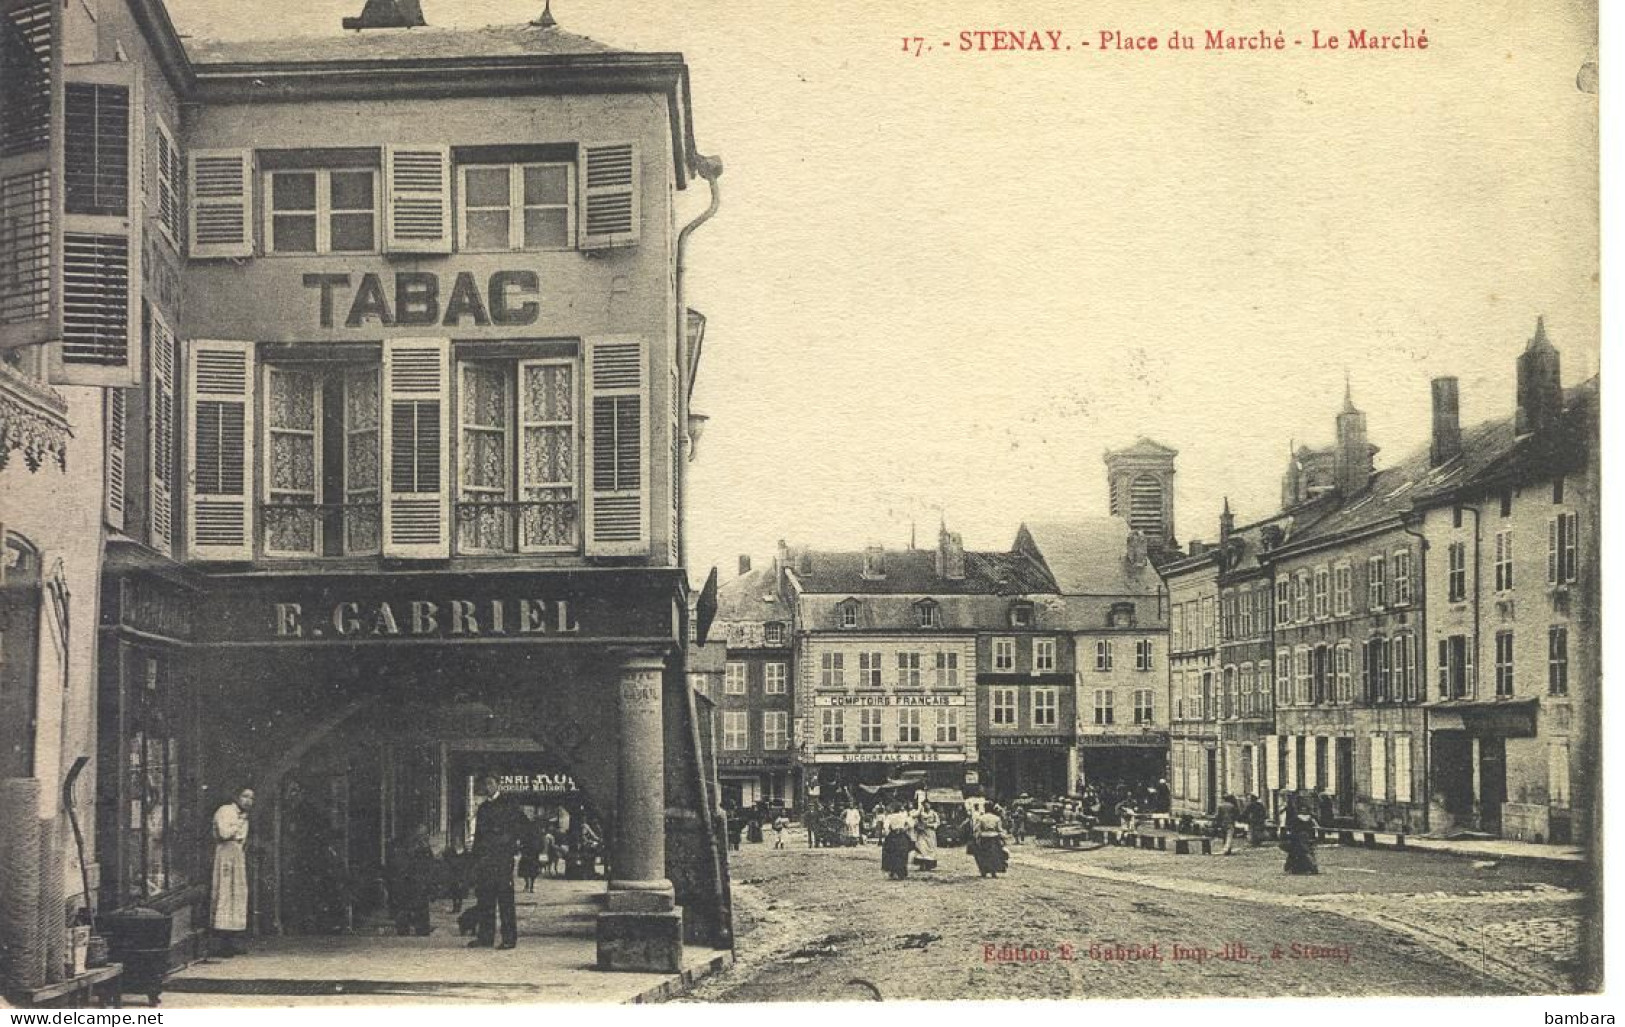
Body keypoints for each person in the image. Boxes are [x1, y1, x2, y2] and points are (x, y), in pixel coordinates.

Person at [468, 774, 526, 949]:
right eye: (485, 783)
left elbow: (521, 827)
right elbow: (478, 836)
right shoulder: (484, 808)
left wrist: (510, 844)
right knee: (485, 899)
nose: (488, 787)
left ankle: (509, 939)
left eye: (491, 783)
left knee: (505, 900)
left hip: (502, 860)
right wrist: (475, 859)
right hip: (485, 860)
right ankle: (485, 938)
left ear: (498, 785)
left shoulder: (510, 805)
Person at [210, 787, 254, 957]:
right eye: (245, 796)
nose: (248, 801)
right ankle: (221, 942)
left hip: (237, 855)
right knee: (225, 893)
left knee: (237, 894)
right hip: (226, 854)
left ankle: (233, 940)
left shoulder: (244, 817)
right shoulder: (225, 811)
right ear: (236, 796)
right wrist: (238, 824)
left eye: (251, 798)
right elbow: (224, 833)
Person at [386, 824, 436, 936]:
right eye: (423, 835)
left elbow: (430, 866)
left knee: (420, 911)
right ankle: (406, 932)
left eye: (426, 834)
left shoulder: (425, 849)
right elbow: (398, 866)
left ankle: (420, 931)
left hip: (418, 885)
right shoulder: (403, 847)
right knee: (405, 911)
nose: (426, 837)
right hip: (406, 884)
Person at [1280, 794, 1320, 875]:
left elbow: (1291, 828)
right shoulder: (1310, 818)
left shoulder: (1296, 818)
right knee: (1306, 853)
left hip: (1298, 838)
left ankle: (1297, 868)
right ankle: (1309, 868)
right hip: (1305, 838)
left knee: (1297, 854)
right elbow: (1316, 828)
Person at [970, 803, 1009, 878]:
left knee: (983, 855)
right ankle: (993, 872)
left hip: (984, 838)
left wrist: (977, 838)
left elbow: (977, 829)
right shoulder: (996, 818)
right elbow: (999, 830)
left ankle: (984, 871)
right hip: (994, 838)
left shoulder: (981, 818)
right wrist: (1003, 839)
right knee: (994, 855)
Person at [880, 802, 914, 880]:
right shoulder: (904, 816)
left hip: (893, 835)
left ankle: (893, 871)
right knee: (902, 854)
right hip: (902, 835)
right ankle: (901, 872)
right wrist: (905, 828)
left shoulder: (889, 817)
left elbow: (885, 827)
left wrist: (887, 833)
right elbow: (911, 824)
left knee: (891, 853)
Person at [911, 804, 940, 871]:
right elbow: (913, 817)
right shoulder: (920, 813)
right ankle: (922, 864)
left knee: (930, 848)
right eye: (925, 805)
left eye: (928, 804)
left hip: (930, 833)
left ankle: (929, 865)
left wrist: (930, 825)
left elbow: (938, 823)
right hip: (922, 832)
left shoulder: (933, 813)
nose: (926, 806)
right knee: (921, 847)